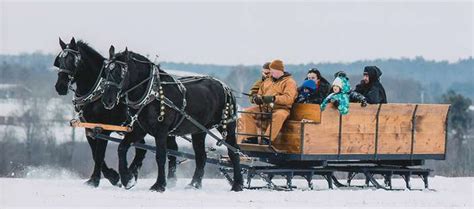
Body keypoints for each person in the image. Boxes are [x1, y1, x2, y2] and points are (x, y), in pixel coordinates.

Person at [240, 59, 298, 145]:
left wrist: (273, 99)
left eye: (272, 71)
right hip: (265, 108)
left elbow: (289, 98)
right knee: (247, 112)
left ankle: (267, 139)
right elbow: (260, 93)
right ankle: (251, 137)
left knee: (279, 115)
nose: (270, 73)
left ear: (279, 71)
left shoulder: (289, 82)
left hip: (281, 108)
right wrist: (257, 98)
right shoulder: (267, 81)